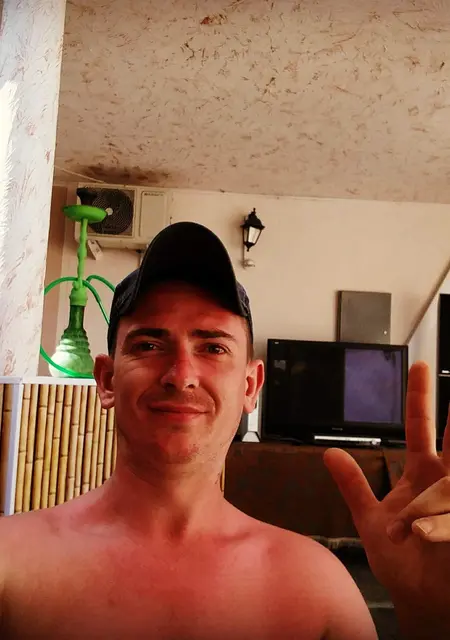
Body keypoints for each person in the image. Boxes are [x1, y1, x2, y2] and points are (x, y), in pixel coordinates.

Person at [0, 221, 449, 639]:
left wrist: (429, 613)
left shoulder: (316, 586)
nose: (181, 375)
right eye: (149, 345)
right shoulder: (12, 563)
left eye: (212, 347)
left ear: (250, 386)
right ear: (107, 380)